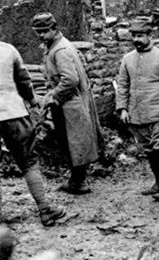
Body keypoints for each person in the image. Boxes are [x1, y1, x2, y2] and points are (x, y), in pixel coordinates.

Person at [31, 12, 104, 195]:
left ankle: (79, 182)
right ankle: (76, 180)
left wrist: (52, 95)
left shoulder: (60, 50)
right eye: (38, 32)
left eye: (44, 31)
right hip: (66, 102)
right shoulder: (55, 45)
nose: (41, 35)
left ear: (54, 29)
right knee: (70, 141)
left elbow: (70, 79)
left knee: (76, 142)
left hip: (71, 103)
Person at [0, 36, 66, 225]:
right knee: (28, 163)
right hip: (13, 113)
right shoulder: (8, 49)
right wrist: (33, 101)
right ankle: (45, 210)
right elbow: (24, 80)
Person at [115, 19, 159, 199]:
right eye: (134, 36)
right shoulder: (128, 59)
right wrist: (122, 108)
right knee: (149, 152)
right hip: (138, 116)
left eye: (140, 36)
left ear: (150, 36)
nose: (136, 39)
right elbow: (122, 85)